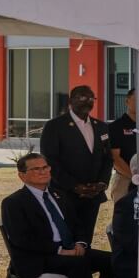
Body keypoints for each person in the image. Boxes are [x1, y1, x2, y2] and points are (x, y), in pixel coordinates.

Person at [0, 153, 113, 278]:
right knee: (78, 264)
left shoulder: (58, 195)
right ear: (22, 175)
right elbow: (22, 240)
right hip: (38, 257)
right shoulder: (13, 203)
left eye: (45, 167)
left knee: (111, 259)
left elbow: (78, 225)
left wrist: (80, 243)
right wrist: (60, 250)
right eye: (36, 169)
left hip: (68, 249)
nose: (43, 172)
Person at [39, 84, 111, 249]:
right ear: (71, 101)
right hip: (64, 195)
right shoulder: (55, 126)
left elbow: (107, 159)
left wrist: (101, 184)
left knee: (86, 241)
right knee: (67, 241)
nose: (88, 101)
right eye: (82, 97)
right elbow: (50, 161)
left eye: (91, 98)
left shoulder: (101, 127)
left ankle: (83, 272)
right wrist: (75, 186)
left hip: (92, 196)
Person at [108, 90, 139, 203]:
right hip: (124, 179)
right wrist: (134, 177)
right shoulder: (115, 127)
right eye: (136, 99)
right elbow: (115, 158)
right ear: (127, 101)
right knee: (123, 217)